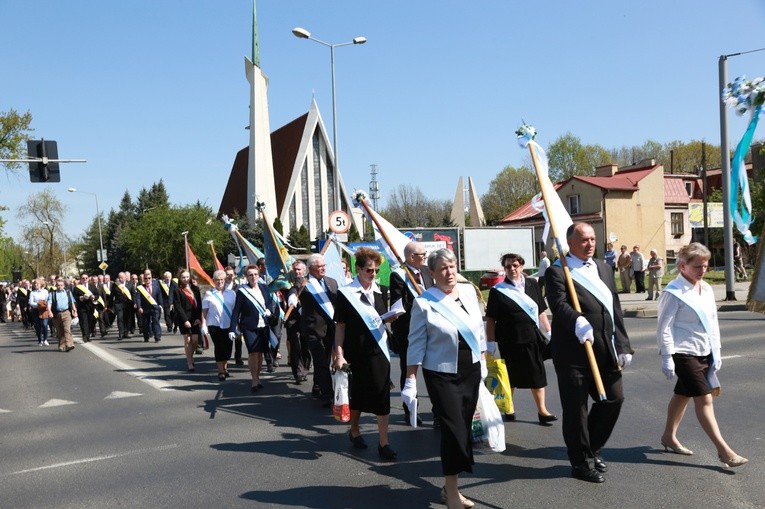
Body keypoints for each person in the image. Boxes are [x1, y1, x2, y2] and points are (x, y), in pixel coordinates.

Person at [545, 223, 633, 483]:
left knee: (614, 399)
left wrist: (624, 345)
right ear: (570, 243)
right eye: (583, 240)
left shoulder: (604, 267)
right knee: (576, 410)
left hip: (605, 349)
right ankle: (581, 463)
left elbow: (614, 308)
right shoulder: (557, 271)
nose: (590, 244)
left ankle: (591, 448)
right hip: (574, 353)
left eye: (593, 239)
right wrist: (577, 320)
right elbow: (558, 304)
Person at [404, 248, 487, 509]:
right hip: (441, 374)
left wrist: (483, 361)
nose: (449, 272)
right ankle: (451, 492)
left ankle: (450, 486)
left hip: (470, 370)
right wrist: (410, 380)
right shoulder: (424, 302)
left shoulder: (470, 295)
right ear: (432, 273)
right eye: (443, 268)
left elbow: (479, 332)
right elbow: (415, 343)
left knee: (464, 430)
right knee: (454, 431)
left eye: (452, 266)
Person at [657, 242, 748, 468]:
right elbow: (664, 327)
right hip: (683, 352)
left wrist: (716, 351)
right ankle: (724, 451)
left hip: (704, 350)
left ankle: (669, 436)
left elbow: (712, 323)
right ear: (682, 266)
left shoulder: (706, 288)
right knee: (704, 398)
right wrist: (667, 356)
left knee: (683, 394)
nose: (702, 270)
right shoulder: (673, 293)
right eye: (697, 266)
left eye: (705, 266)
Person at [333, 247, 398, 461]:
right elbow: (340, 326)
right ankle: (354, 429)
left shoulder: (381, 291)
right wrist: (339, 354)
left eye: (377, 270)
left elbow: (380, 317)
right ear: (359, 269)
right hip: (356, 351)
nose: (374, 274)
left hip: (379, 350)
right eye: (370, 270)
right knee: (358, 395)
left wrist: (390, 318)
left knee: (382, 394)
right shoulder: (345, 294)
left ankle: (384, 443)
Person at [485, 253, 555, 424]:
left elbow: (540, 312)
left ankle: (542, 411)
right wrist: (491, 343)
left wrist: (549, 331)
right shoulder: (498, 291)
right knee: (510, 376)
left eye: (515, 265)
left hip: (532, 337)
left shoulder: (532, 284)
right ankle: (509, 407)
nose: (512, 269)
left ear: (522, 266)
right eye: (508, 266)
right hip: (509, 339)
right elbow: (491, 319)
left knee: (537, 374)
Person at [389, 241, 433, 426]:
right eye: (422, 255)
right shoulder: (398, 275)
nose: (425, 258)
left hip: (431, 327)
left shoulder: (427, 271)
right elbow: (400, 304)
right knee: (409, 370)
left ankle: (438, 410)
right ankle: (410, 410)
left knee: (433, 369)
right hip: (409, 330)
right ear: (411, 257)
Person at [228, 264, 279, 392]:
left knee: (260, 352)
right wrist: (232, 329)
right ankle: (254, 380)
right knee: (253, 352)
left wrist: (268, 311)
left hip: (263, 325)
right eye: (250, 274)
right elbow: (236, 311)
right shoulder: (242, 291)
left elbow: (268, 303)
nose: (253, 277)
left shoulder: (264, 288)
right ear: (246, 276)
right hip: (249, 326)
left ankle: (258, 377)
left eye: (255, 274)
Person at [299, 253, 339, 407]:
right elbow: (294, 291)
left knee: (325, 361)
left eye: (324, 266)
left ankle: (317, 386)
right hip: (312, 330)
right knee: (321, 362)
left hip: (331, 329)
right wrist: (291, 297)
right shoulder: (304, 283)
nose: (322, 269)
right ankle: (328, 394)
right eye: (319, 267)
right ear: (310, 269)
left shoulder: (332, 282)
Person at [202, 270, 237, 381]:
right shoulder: (209, 294)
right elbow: (204, 311)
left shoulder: (231, 294)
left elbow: (235, 310)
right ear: (213, 281)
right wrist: (203, 325)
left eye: (222, 280)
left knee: (227, 348)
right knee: (219, 346)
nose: (220, 282)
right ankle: (220, 371)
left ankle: (225, 367)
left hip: (228, 325)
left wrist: (237, 325)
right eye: (217, 280)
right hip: (214, 324)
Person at [285, 260, 311, 384]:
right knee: (295, 345)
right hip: (292, 318)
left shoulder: (309, 282)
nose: (297, 272)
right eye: (295, 269)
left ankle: (305, 368)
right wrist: (291, 296)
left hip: (305, 318)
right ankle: (298, 372)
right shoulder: (287, 281)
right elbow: (292, 289)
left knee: (306, 345)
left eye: (299, 269)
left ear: (304, 270)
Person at [174, 270, 203, 372]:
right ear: (180, 278)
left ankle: (190, 356)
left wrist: (199, 318)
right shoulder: (178, 290)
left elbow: (199, 305)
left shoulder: (195, 289)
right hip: (184, 318)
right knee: (188, 340)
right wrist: (185, 320)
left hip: (194, 318)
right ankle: (190, 362)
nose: (186, 279)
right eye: (183, 277)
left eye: (187, 277)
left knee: (195, 340)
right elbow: (178, 306)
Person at [49, 278, 77, 352]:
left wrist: (74, 310)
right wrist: (49, 311)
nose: (59, 287)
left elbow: (72, 302)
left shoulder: (68, 292)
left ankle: (69, 344)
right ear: (56, 285)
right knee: (60, 330)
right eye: (58, 285)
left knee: (67, 329)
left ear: (64, 285)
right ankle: (61, 345)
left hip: (66, 312)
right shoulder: (52, 293)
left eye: (61, 285)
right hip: (56, 314)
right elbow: (49, 304)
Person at [224, 266, 244, 366]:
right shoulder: (221, 287)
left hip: (237, 316)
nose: (230, 276)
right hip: (225, 316)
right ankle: (226, 357)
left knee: (238, 337)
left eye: (232, 274)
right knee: (227, 338)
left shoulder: (239, 287)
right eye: (228, 274)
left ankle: (238, 356)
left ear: (235, 275)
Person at [135, 269, 163, 342]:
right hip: (145, 308)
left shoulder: (156, 286)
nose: (147, 280)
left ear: (151, 277)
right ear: (144, 279)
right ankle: (146, 336)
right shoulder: (141, 288)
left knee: (155, 321)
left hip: (155, 307)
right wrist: (139, 307)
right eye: (146, 278)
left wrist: (160, 305)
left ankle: (157, 336)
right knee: (146, 323)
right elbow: (138, 298)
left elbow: (159, 296)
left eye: (149, 278)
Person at [72, 273, 97, 343]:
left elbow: (97, 294)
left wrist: (94, 297)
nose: (85, 279)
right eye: (83, 278)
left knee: (90, 322)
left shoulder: (92, 287)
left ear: (88, 279)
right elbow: (74, 297)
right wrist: (81, 297)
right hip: (82, 307)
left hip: (91, 307)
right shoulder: (77, 288)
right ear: (80, 279)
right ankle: (85, 336)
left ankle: (88, 335)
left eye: (86, 278)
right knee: (83, 322)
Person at [29, 278, 50, 346]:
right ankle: (39, 340)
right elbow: (31, 302)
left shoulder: (45, 291)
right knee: (37, 326)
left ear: (41, 284)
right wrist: (38, 304)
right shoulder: (32, 292)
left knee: (44, 324)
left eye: (37, 283)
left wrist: (44, 304)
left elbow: (48, 300)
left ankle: (45, 339)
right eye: (35, 284)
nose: (35, 285)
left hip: (44, 310)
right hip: (35, 310)